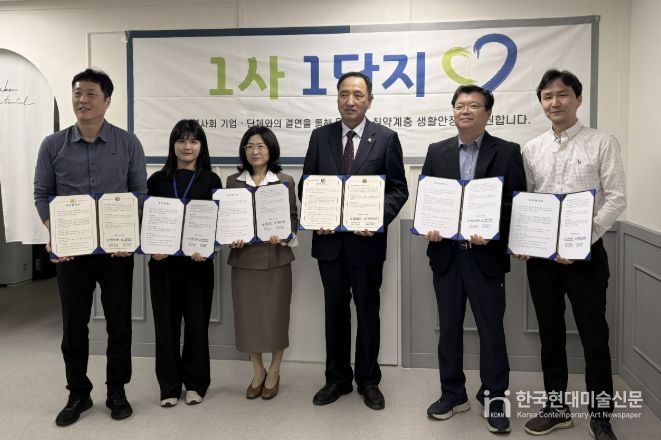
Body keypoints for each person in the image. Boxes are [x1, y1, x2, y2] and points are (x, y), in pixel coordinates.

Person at [33, 68, 147, 426]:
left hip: (116, 253)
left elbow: (139, 193)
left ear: (107, 101)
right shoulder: (52, 145)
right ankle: (78, 393)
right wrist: (55, 232)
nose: (82, 100)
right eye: (77, 93)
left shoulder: (128, 143)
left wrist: (128, 234)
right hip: (72, 253)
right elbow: (42, 194)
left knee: (119, 324)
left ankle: (117, 391)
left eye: (90, 94)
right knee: (73, 326)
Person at [517, 69, 626, 440]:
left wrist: (581, 240)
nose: (555, 102)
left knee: (594, 337)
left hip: (586, 258)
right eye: (547, 96)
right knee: (550, 336)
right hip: (543, 261)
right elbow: (529, 201)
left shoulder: (602, 142)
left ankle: (601, 416)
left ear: (578, 99)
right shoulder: (531, 149)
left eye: (562, 94)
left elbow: (616, 199)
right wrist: (525, 240)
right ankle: (556, 408)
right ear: (541, 102)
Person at [298, 71, 408, 410]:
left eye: (358, 95)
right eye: (344, 94)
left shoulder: (386, 138)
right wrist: (315, 214)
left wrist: (376, 218)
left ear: (369, 101)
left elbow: (398, 189)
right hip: (329, 243)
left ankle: (368, 380)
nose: (350, 101)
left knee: (368, 312)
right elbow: (307, 184)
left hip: (366, 243)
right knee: (334, 312)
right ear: (337, 99)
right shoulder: (320, 137)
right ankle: (337, 379)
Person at [422, 85, 526, 434]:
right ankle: (453, 394)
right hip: (447, 255)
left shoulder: (507, 151)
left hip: (485, 256)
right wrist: (430, 225)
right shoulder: (437, 151)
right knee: (448, 329)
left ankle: (494, 397)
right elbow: (430, 198)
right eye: (459, 105)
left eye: (473, 105)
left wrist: (491, 226)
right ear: (453, 111)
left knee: (491, 331)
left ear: (488, 112)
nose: (465, 110)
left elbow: (516, 202)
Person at [146, 119, 222, 407]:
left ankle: (195, 384)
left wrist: (208, 245)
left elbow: (218, 223)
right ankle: (168, 386)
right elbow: (147, 222)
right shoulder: (156, 180)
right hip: (163, 265)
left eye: (193, 141)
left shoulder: (211, 180)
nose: (187, 146)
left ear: (201, 146)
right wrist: (153, 248)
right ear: (173, 144)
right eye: (181, 140)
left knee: (197, 325)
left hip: (198, 265)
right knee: (165, 326)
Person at [226, 126, 298, 400]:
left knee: (276, 317)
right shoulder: (233, 181)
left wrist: (285, 234)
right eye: (249, 146)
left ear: (271, 149)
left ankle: (275, 370)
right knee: (248, 319)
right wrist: (231, 237)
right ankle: (258, 370)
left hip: (275, 258)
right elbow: (228, 219)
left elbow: (293, 218)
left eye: (260, 146)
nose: (255, 151)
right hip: (244, 260)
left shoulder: (285, 181)